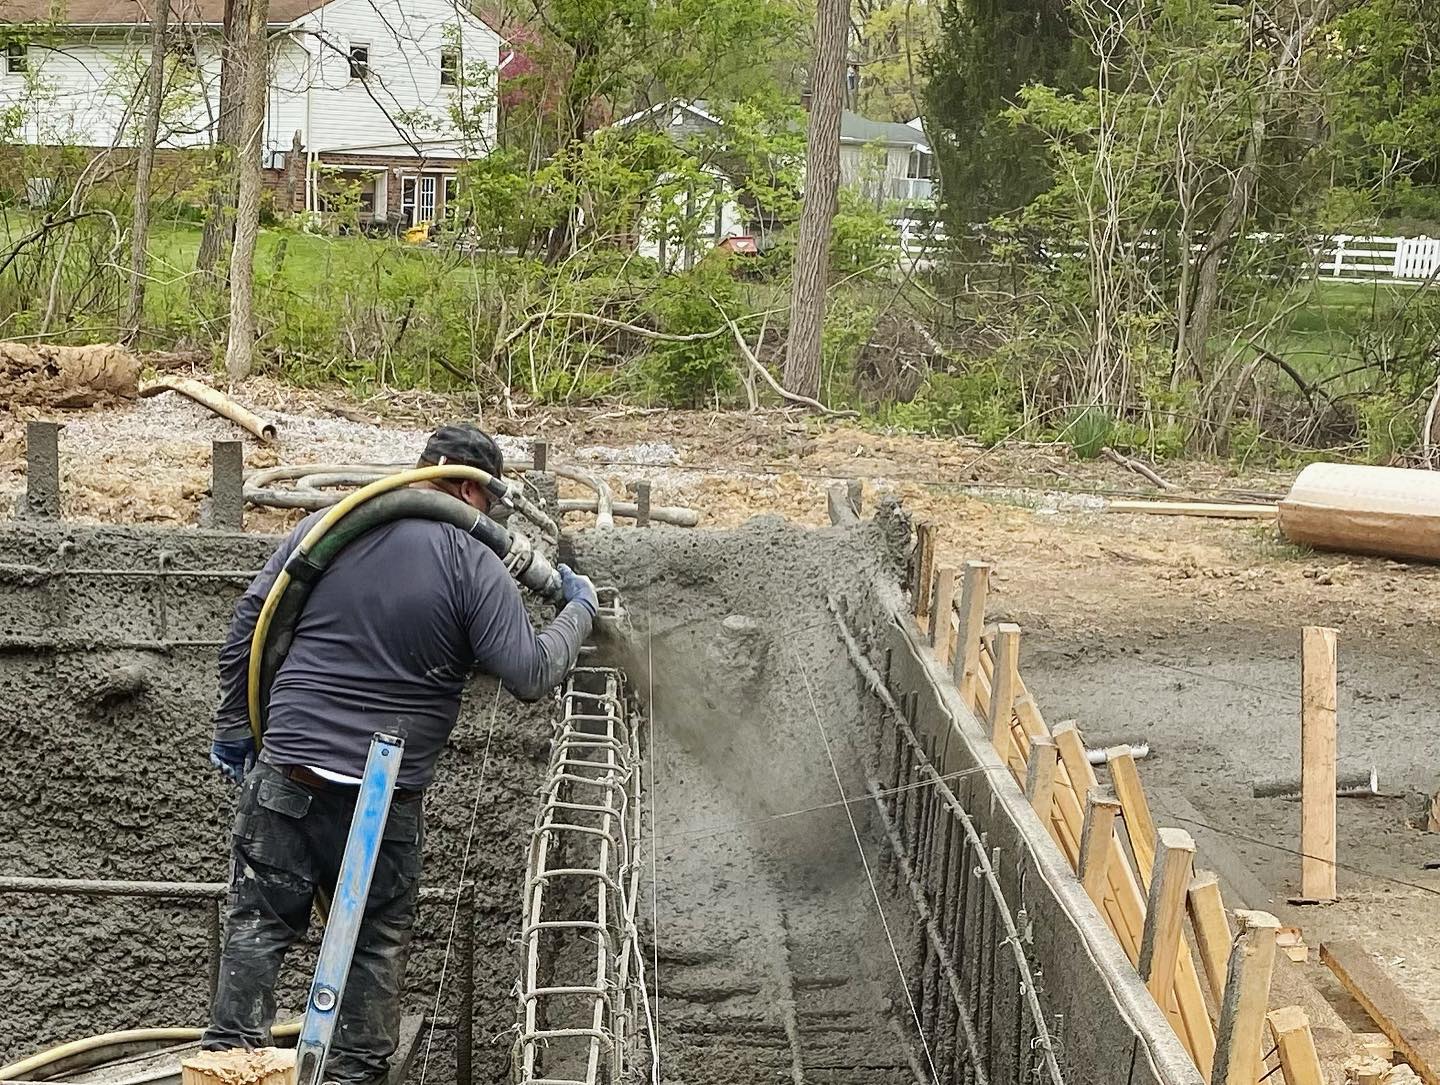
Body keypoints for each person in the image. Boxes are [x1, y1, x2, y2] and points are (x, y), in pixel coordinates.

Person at [201, 423, 597, 1082]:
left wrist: (235, 725)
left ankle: (226, 1066)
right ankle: (353, 1075)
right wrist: (578, 610)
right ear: (472, 487)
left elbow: (252, 618)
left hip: (288, 773)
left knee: (258, 927)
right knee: (371, 946)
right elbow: (529, 671)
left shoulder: (332, 525)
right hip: (382, 802)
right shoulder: (474, 563)